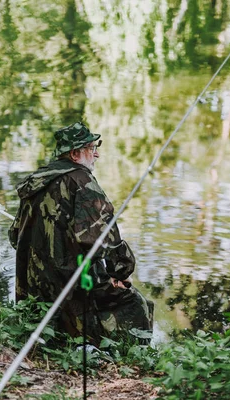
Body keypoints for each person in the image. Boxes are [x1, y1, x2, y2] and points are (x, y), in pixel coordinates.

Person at [8, 122, 154, 345]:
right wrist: (122, 271)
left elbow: (13, 236)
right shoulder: (81, 181)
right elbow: (106, 238)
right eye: (91, 148)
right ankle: (129, 356)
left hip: (31, 286)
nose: (96, 154)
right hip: (69, 284)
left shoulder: (36, 181)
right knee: (136, 303)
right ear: (75, 154)